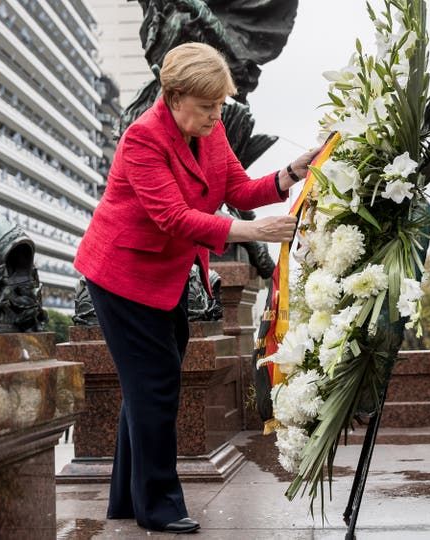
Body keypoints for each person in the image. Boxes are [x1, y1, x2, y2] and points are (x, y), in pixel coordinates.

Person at [73, 42, 320, 534]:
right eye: (207, 106)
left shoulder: (211, 132)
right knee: (157, 386)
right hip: (121, 276)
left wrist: (292, 171)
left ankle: (126, 498)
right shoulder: (142, 140)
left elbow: (238, 189)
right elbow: (172, 217)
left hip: (163, 277)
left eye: (219, 106)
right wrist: (255, 232)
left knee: (147, 387)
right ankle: (159, 506)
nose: (215, 116)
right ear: (175, 96)